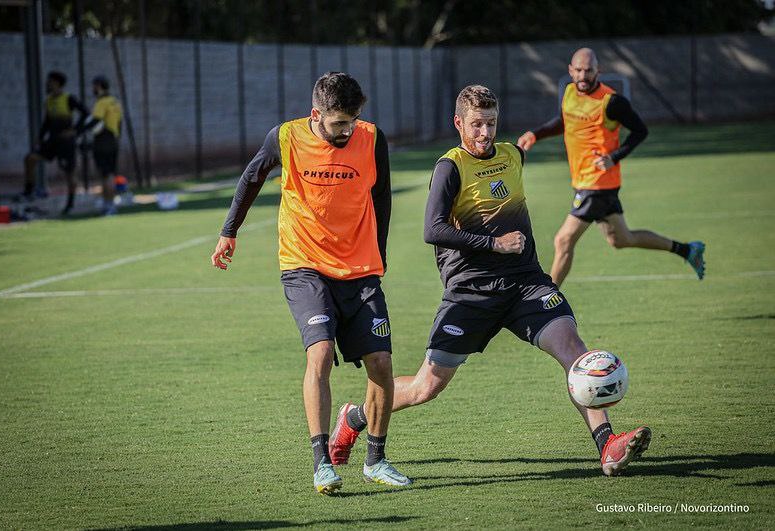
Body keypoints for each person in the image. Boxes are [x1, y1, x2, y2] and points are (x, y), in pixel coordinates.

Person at [329, 85, 651, 477]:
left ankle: (609, 447)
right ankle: (355, 416)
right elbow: (432, 229)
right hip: (471, 292)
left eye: (492, 124)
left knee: (576, 355)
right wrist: (493, 242)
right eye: (477, 125)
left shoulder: (512, 156)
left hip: (526, 284)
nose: (485, 133)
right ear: (459, 124)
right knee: (426, 387)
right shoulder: (450, 167)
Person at [211, 72, 411, 493]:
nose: (349, 129)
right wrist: (229, 231)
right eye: (340, 123)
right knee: (319, 353)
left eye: (354, 120)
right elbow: (251, 178)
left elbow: (383, 196)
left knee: (381, 363)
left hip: (360, 270)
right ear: (315, 115)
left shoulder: (372, 138)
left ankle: (376, 458)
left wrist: (381, 254)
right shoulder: (285, 137)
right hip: (305, 265)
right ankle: (322, 462)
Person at [516, 48, 705, 286]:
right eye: (579, 70)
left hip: (597, 184)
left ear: (598, 71)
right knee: (621, 239)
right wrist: (536, 134)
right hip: (584, 181)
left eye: (589, 70)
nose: (583, 76)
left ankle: (545, 301)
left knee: (563, 240)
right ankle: (687, 250)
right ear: (570, 71)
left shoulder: (611, 102)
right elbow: (566, 120)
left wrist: (614, 157)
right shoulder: (569, 92)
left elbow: (640, 131)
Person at [23, 71, 89, 214]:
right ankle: (29, 191)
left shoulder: (69, 98)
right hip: (52, 141)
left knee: (69, 173)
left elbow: (86, 113)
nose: (47, 84)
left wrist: (76, 131)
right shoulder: (49, 101)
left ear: (57, 83)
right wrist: (40, 138)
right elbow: (47, 122)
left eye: (50, 81)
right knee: (30, 158)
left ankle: (70, 204)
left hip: (66, 143)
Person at [78, 76, 123, 216]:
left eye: (94, 86)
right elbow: (120, 124)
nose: (93, 89)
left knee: (106, 174)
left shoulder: (102, 102)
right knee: (110, 173)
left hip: (103, 140)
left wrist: (78, 132)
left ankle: (108, 205)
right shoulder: (115, 102)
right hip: (113, 140)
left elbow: (96, 121)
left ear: (98, 86)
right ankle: (109, 204)